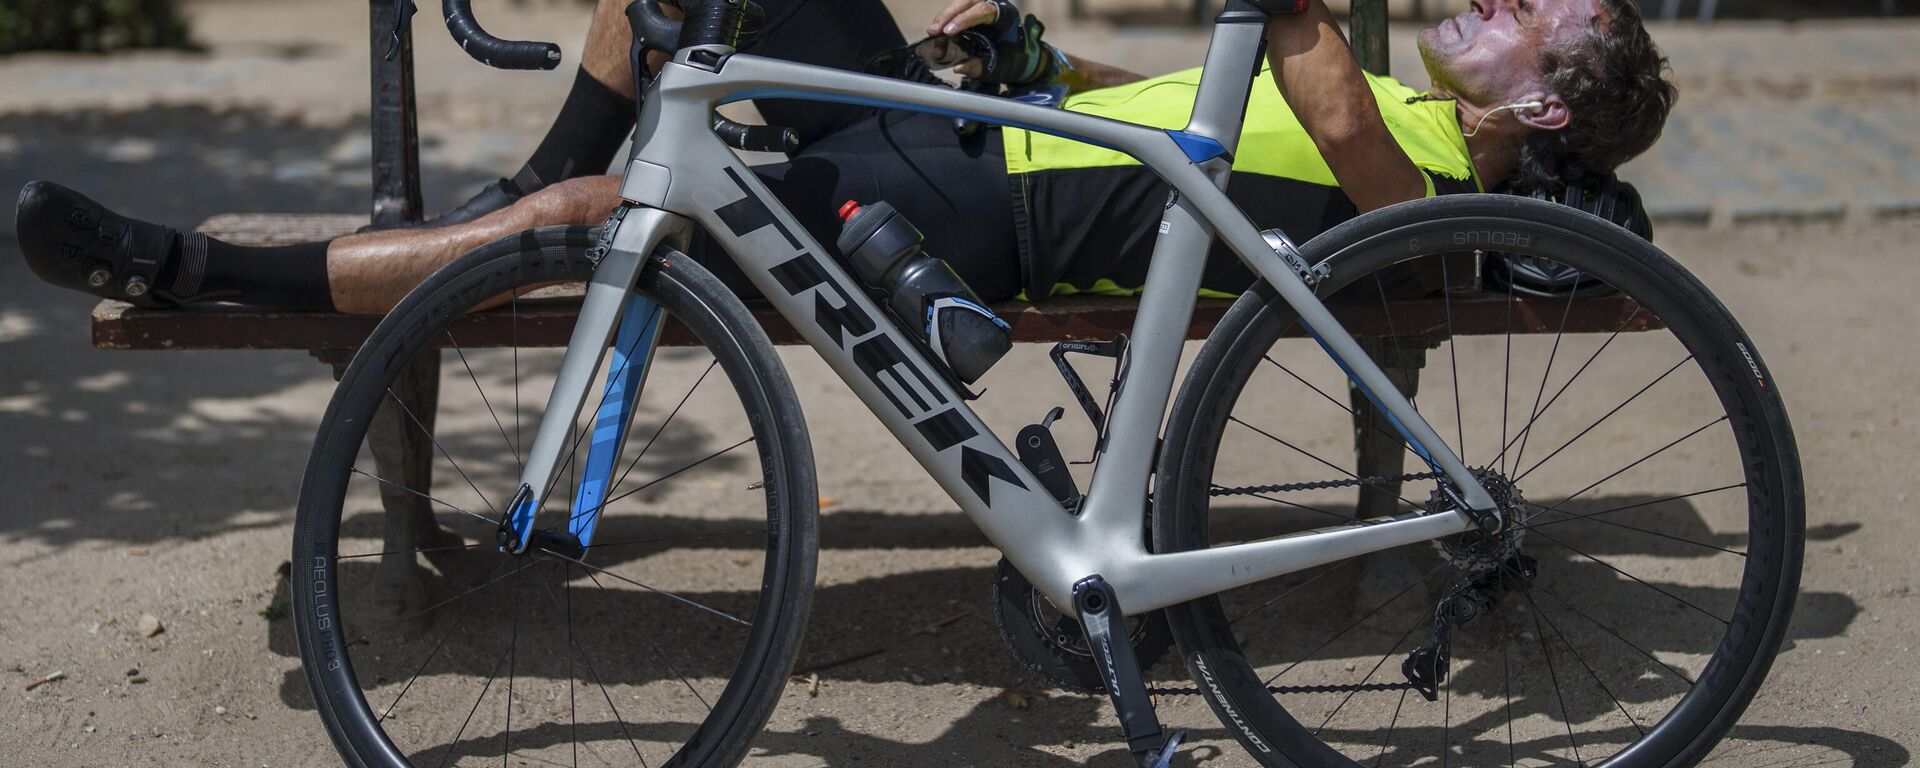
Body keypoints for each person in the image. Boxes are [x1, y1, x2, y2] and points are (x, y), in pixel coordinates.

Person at [15, 0, 1674, 315]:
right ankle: (491, 222)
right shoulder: (1382, 105)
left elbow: (1306, 86)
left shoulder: (1437, 201)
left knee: (603, 216)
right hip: (984, 132)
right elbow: (1169, 91)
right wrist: (1034, 51)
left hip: (980, 207)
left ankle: (197, 270)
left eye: (1535, 11)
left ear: (1545, 106)